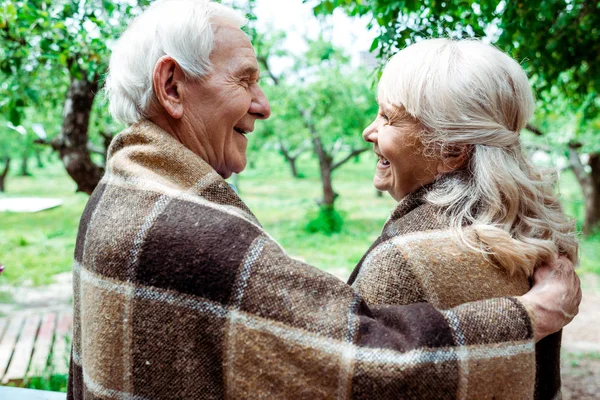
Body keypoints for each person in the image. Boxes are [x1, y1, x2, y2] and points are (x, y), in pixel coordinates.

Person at [67, 1, 581, 399]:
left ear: (450, 149)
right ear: (172, 86)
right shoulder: (190, 234)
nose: (263, 105)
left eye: (390, 116)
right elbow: (361, 359)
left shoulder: (112, 199)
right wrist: (528, 315)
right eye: (245, 79)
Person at [349, 38, 578, 399]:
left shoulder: (402, 260)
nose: (369, 132)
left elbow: (356, 379)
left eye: (388, 117)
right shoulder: (528, 236)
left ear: (451, 152)